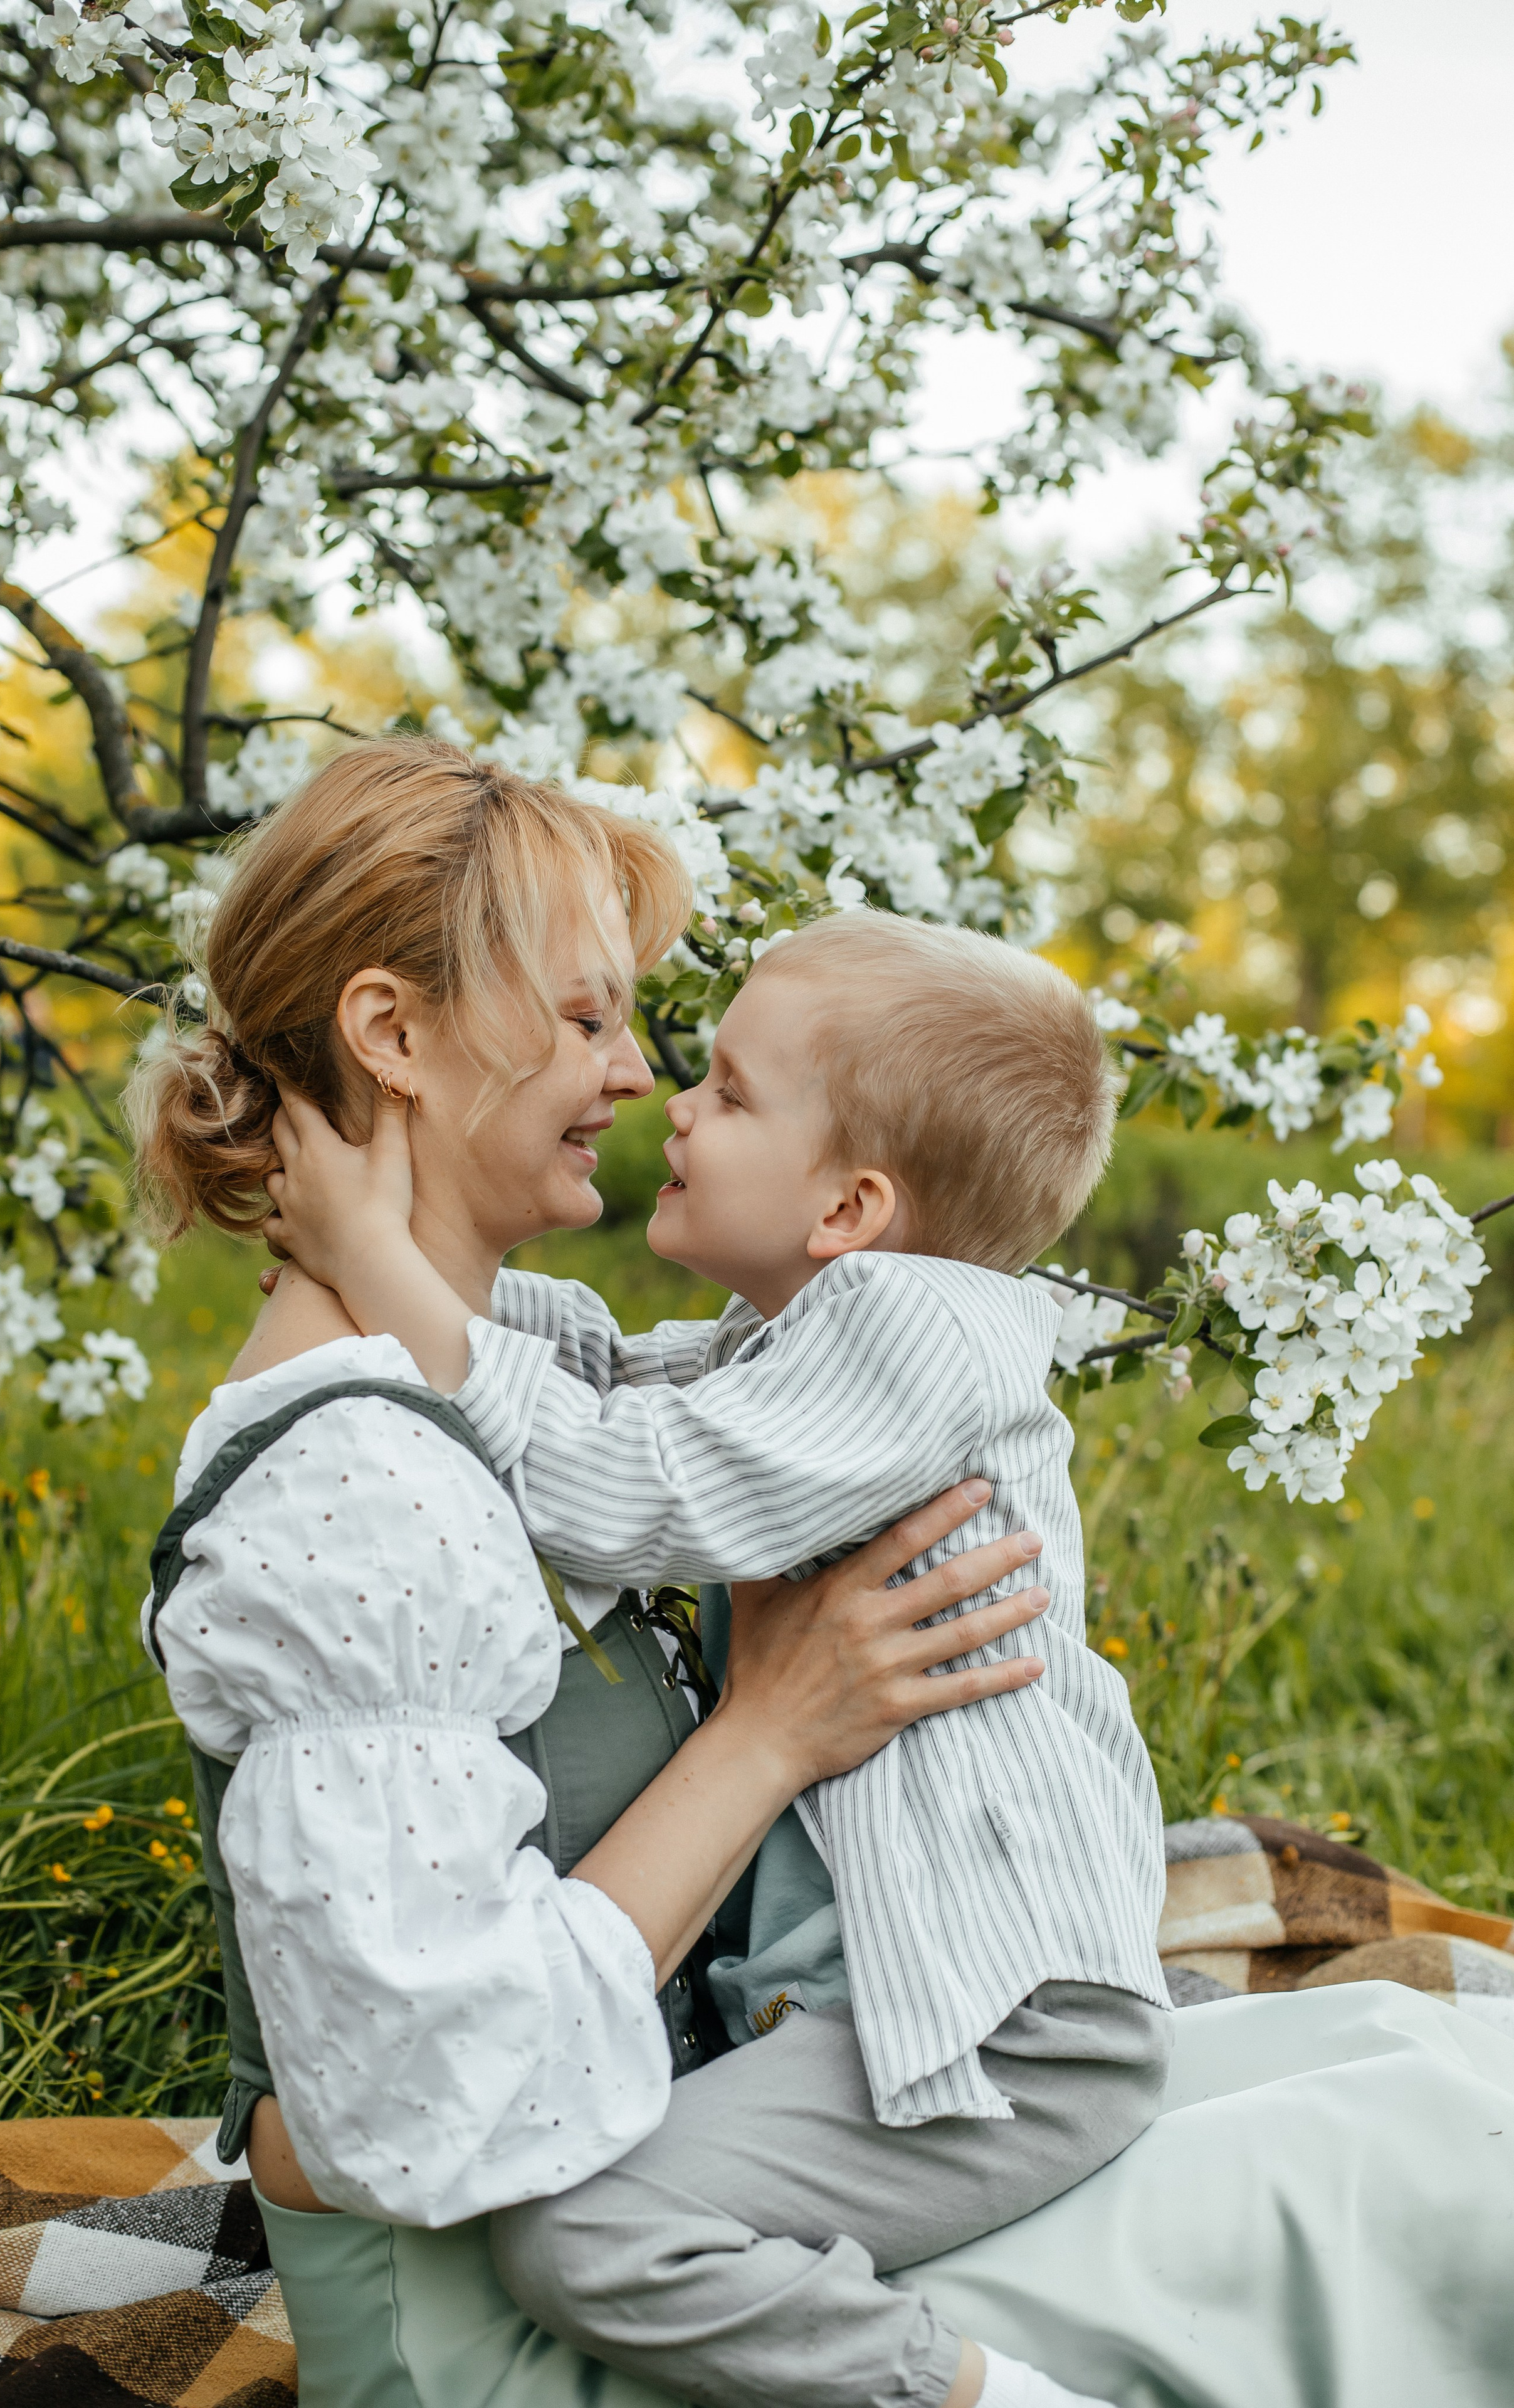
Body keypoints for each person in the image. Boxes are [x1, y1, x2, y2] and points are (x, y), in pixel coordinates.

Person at [127, 736, 1106, 2408]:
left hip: (722, 2202)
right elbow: (436, 2100)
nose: (640, 1075)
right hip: (499, 2350)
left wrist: (376, 1249)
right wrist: (768, 1735)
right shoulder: (356, 1492)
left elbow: (600, 1396)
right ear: (392, 1037)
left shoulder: (471, 1389)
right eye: (589, 1019)